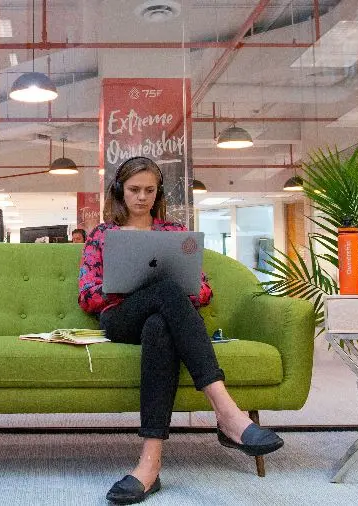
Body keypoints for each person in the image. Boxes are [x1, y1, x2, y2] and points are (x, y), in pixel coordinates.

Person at [78, 157, 283, 505]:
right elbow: (87, 295)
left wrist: (180, 287)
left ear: (157, 194)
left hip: (158, 321)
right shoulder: (103, 235)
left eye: (149, 190)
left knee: (162, 323)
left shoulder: (174, 234)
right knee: (166, 290)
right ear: (119, 191)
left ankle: (150, 464)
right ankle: (228, 414)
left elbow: (203, 291)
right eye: (133, 190)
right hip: (120, 318)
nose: (141, 197)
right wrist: (122, 287)